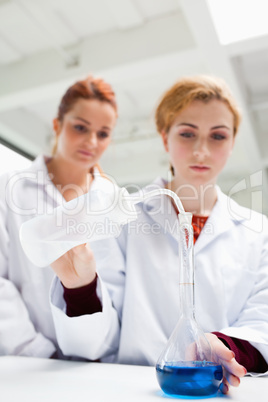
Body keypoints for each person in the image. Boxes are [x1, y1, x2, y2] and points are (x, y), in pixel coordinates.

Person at [49, 75, 268, 393]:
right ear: (165, 139)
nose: (201, 150)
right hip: (128, 389)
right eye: (187, 133)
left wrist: (219, 344)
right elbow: (90, 345)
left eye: (218, 136)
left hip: (219, 390)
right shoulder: (122, 219)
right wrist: (79, 287)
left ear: (233, 142)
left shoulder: (258, 231)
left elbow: (264, 321)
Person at [0, 75, 118, 358]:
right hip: (25, 360)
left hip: (98, 362)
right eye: (80, 127)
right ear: (57, 125)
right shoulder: (10, 188)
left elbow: (115, 290)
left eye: (103, 133)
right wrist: (38, 353)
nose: (92, 141)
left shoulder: (111, 201)